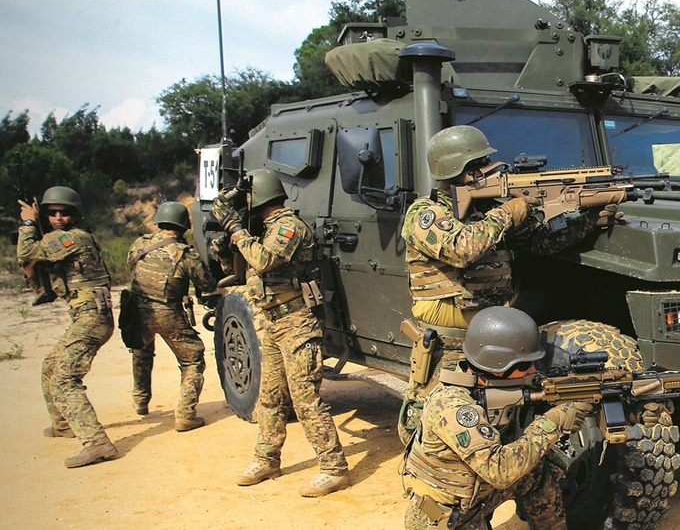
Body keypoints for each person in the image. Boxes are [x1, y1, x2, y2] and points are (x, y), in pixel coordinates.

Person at [397, 125, 619, 441]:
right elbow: (462, 249)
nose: (485, 172)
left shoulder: (486, 211)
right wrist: (508, 213)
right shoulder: (426, 212)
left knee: (499, 422)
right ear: (455, 171)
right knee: (430, 424)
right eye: (476, 167)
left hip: (496, 338)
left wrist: (588, 220)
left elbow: (540, 243)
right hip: (447, 341)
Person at [212, 169, 350, 497]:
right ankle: (266, 459)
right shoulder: (264, 230)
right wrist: (225, 245)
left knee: (305, 400)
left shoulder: (289, 227)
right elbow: (237, 272)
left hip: (297, 324)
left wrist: (235, 227)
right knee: (270, 398)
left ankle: (334, 468)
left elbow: (263, 260)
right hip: (274, 323)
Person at [401, 306, 593, 530]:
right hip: (446, 517)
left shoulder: (493, 385)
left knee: (535, 474)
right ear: (497, 366)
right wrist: (553, 422)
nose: (532, 370)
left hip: (478, 496)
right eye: (523, 365)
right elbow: (500, 471)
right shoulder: (453, 407)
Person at [17, 186, 118, 468]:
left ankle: (97, 443)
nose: (59, 218)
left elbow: (26, 251)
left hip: (92, 317)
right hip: (85, 316)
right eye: (52, 214)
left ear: (74, 215)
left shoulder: (74, 238)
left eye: (64, 213)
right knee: (50, 365)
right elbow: (36, 276)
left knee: (64, 379)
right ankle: (63, 424)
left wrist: (27, 222)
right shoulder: (56, 241)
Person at [125, 201, 217, 431]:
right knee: (192, 360)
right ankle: (186, 414)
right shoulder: (184, 254)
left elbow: (131, 269)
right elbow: (206, 284)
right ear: (183, 226)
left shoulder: (139, 244)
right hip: (168, 313)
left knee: (141, 351)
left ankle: (140, 401)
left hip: (137, 309)